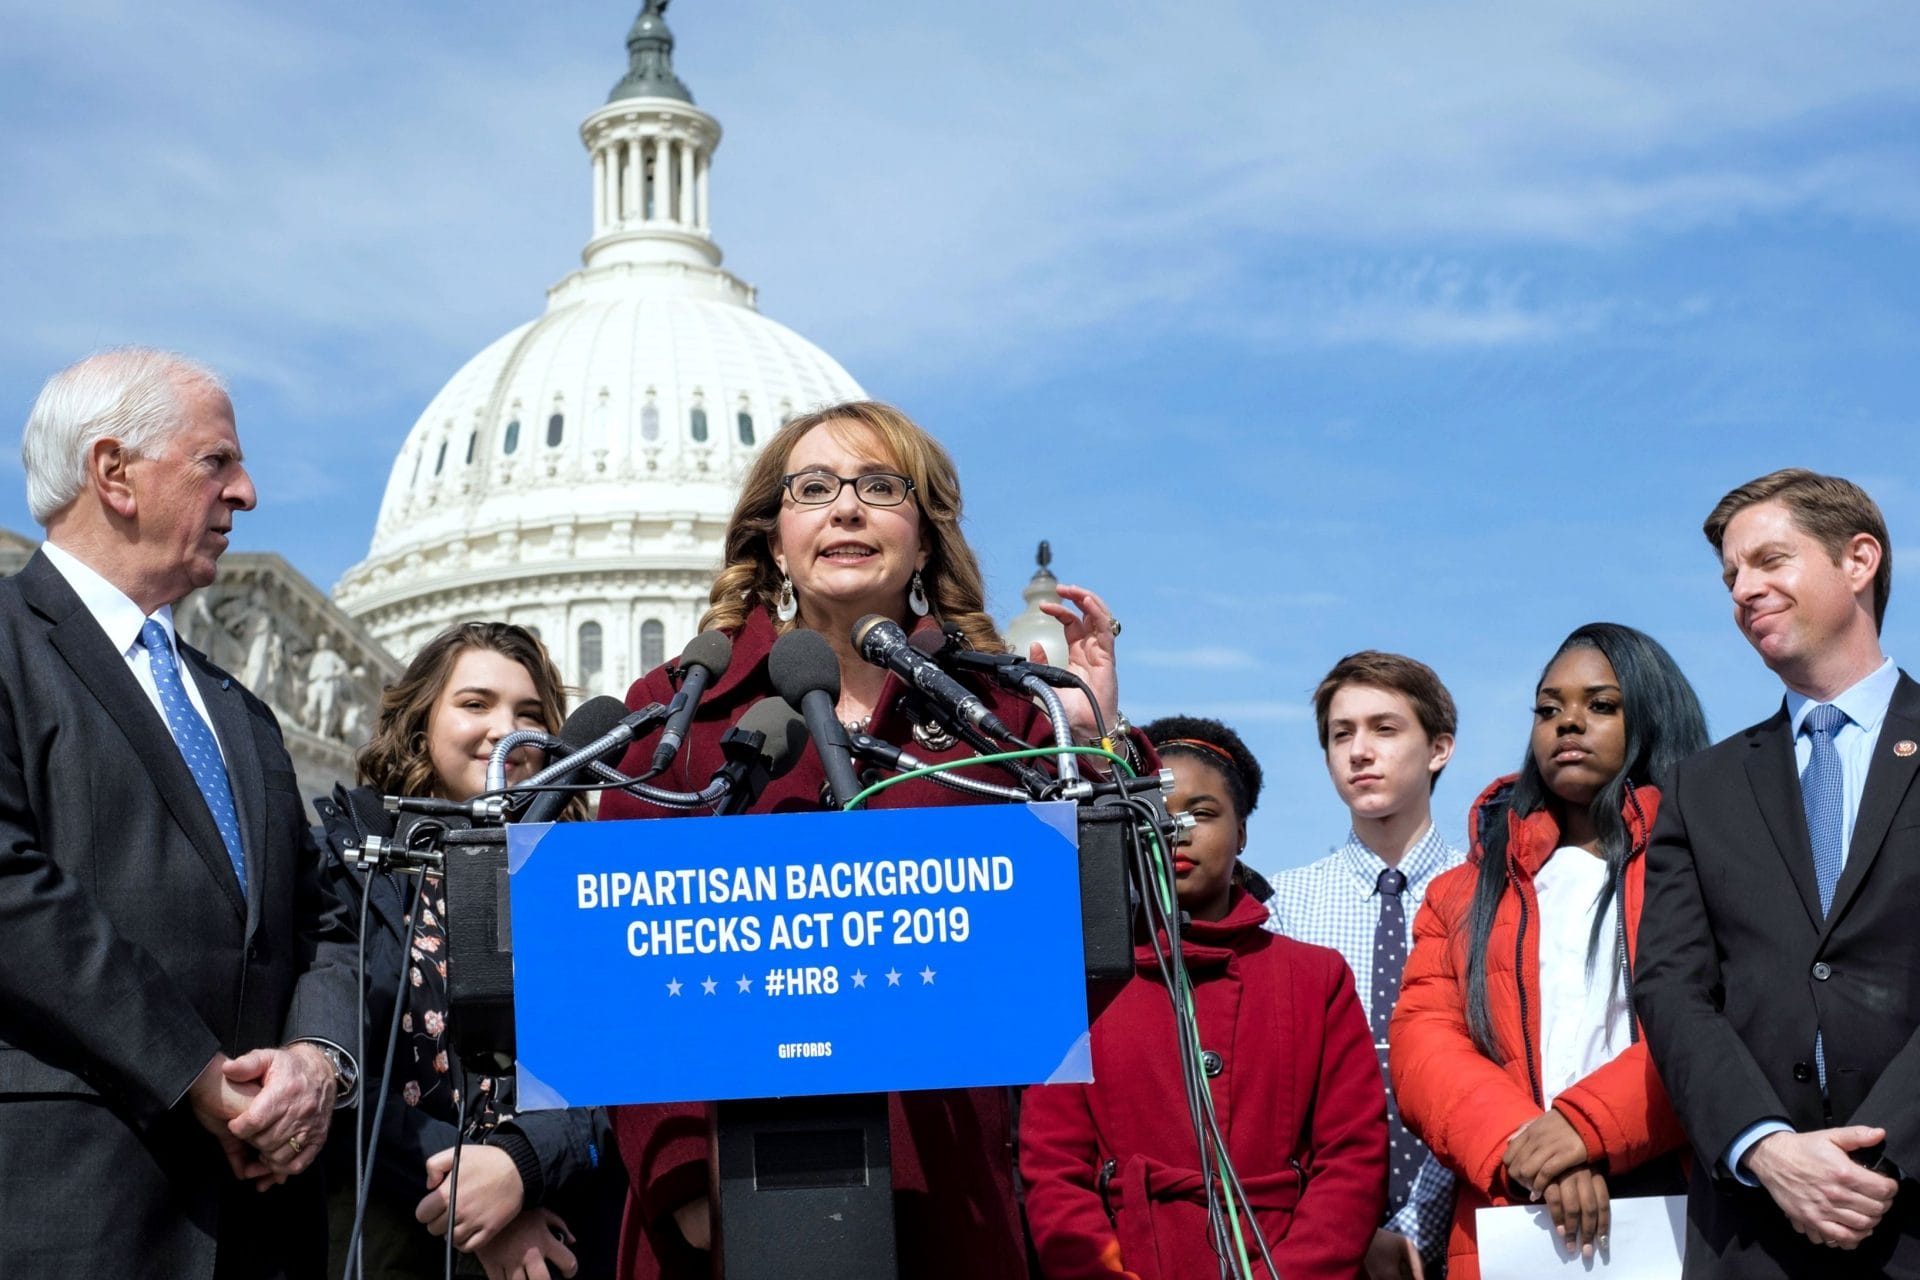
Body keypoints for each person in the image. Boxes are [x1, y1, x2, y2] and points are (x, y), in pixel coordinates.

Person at [598, 399, 1137, 1279]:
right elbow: (613, 957)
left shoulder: (999, 716)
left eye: (880, 487)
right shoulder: (681, 711)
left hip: (943, 1187)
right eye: (814, 488)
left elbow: (1106, 947)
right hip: (722, 1203)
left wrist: (1095, 744)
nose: (846, 508)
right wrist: (687, 1177)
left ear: (924, 539)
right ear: (775, 539)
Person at [0, 348, 359, 1278]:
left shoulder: (240, 709)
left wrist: (318, 1058)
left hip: (263, 1223)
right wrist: (195, 1072)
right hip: (73, 1208)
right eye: (216, 462)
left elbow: (326, 921)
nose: (245, 491)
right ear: (113, 472)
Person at [1636, 469, 1919, 1276]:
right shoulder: (1700, 786)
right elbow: (1670, 986)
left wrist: (1877, 1154)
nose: (1744, 591)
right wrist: (1766, 1148)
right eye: (1731, 576)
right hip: (1756, 1231)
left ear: (1858, 560)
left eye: (1769, 561)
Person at [1390, 623, 1708, 1280]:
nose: (1568, 723)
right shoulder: (1461, 891)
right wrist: (1530, 1149)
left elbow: (1722, 1023)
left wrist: (1586, 1129)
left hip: (1678, 1206)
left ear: (1651, 715)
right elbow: (1424, 1044)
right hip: (1513, 1206)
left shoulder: (1708, 866)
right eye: (1548, 708)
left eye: (1600, 705)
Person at [1022, 715, 1388, 1279]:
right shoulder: (1076, 984)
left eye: (1204, 813)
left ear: (1242, 831)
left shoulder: (1316, 979)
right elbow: (1054, 1169)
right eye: (1153, 815)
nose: (1177, 831)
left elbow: (1352, 1162)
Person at [313, 621, 624, 1280]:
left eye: (529, 715)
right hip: (383, 1224)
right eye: (475, 704)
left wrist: (518, 1167)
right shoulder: (345, 861)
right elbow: (330, 1061)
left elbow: (610, 1074)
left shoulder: (581, 877)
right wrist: (466, 1199)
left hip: (554, 1225)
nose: (504, 733)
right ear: (421, 720)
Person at [1266, 651, 1463, 1279]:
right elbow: (1280, 1093)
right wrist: (1350, 1231)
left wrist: (1417, 1227)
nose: (1358, 751)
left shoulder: (1492, 895)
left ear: (1439, 749)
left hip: (1472, 1224)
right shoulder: (1280, 906)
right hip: (1320, 1239)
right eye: (1340, 733)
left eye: (1384, 728)